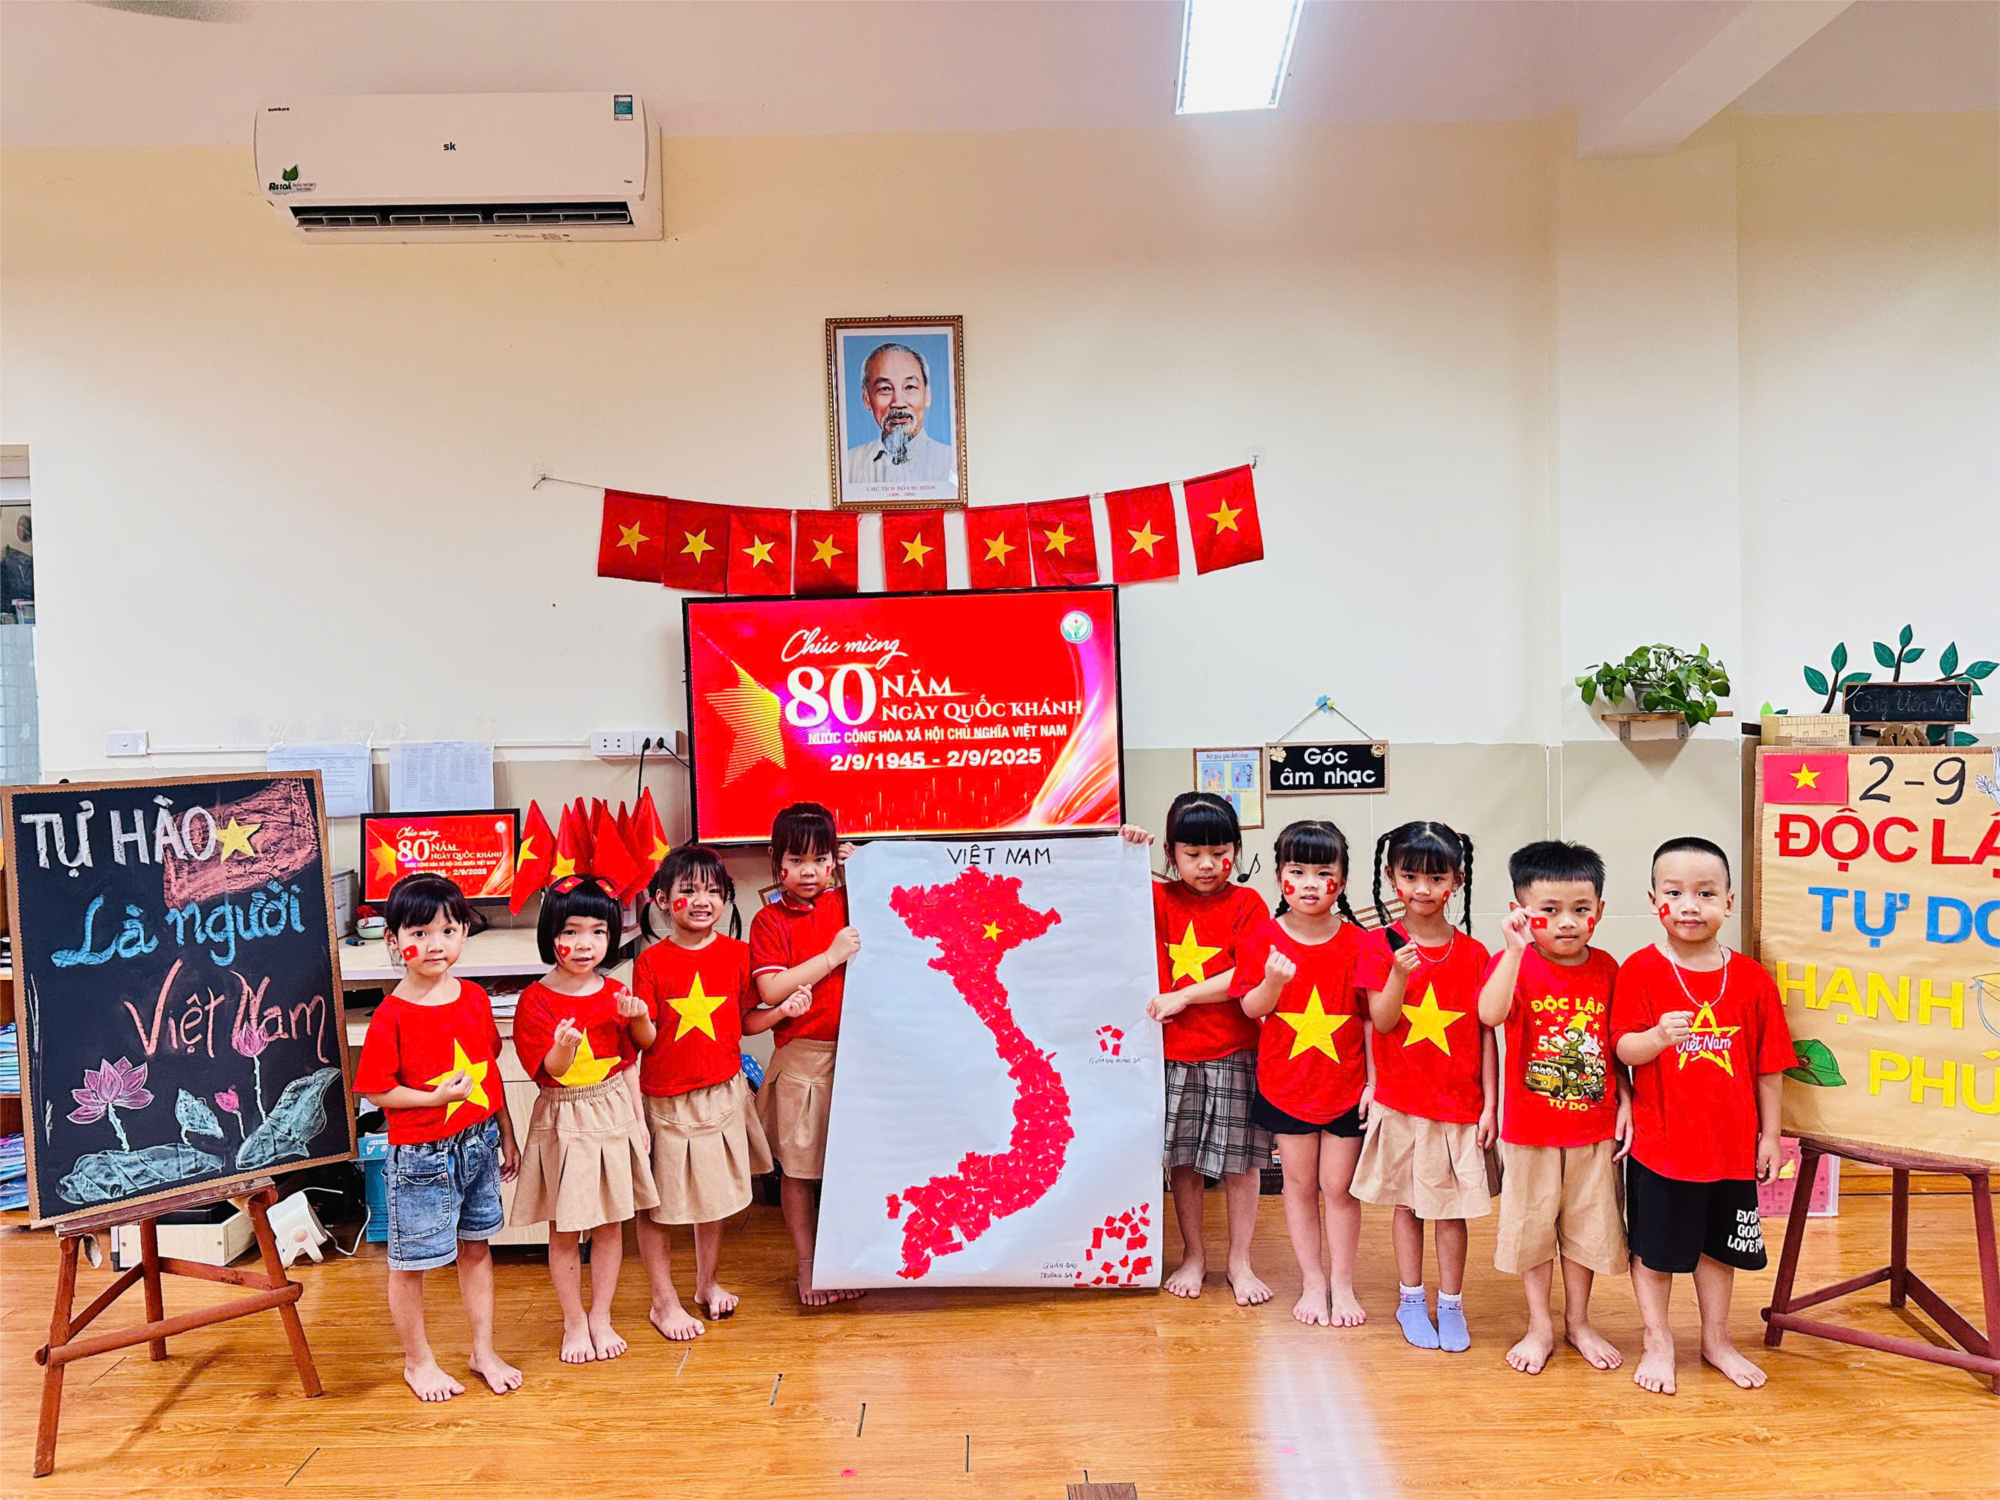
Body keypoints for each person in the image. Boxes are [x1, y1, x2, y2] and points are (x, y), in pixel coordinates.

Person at [1613, 836, 1797, 1396]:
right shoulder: (1639, 970)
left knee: (1720, 1249)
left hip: (1731, 1149)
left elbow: (1770, 1067)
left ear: (1729, 902)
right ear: (1654, 900)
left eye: (1706, 893)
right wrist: (1655, 1037)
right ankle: (1658, 1340)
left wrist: (1770, 1136)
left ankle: (1716, 1339)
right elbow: (1621, 1048)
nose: (1689, 906)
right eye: (1674, 893)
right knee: (1656, 1252)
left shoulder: (1752, 978)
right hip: (1661, 1146)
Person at [353, 873, 522, 1402]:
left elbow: (489, 1071)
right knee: (411, 1264)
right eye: (419, 933)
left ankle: (483, 1350)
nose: (435, 944)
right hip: (420, 1157)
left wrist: (506, 1132)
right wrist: (433, 1099)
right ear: (393, 940)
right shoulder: (391, 1015)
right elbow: (377, 1090)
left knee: (477, 1248)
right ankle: (418, 1362)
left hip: (478, 1142)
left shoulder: (474, 998)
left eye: (448, 930)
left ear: (464, 933)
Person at [632, 845, 799, 1340]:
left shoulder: (738, 955)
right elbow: (646, 1040)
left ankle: (706, 1283)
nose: (702, 900)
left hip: (723, 1093)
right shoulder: (651, 962)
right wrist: (637, 1018)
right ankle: (663, 1301)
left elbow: (746, 1021)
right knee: (657, 1205)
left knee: (715, 1198)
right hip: (666, 1099)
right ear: (663, 900)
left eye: (713, 891)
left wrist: (780, 1012)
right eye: (688, 891)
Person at [1477, 840, 1631, 1376]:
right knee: (1534, 1231)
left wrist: (1626, 1099)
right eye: (1550, 910)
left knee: (1588, 1231)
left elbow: (1617, 1043)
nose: (1567, 922)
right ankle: (1539, 1323)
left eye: (1580, 909)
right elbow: (1489, 1014)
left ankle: (1578, 1321)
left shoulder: (1608, 967)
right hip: (1531, 1132)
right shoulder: (1512, 963)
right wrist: (1514, 950)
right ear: (1521, 912)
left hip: (1595, 1130)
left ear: (1599, 911)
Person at [1119, 793, 1272, 1305]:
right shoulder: (1156, 898)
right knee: (1181, 1163)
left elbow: (1248, 973)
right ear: (1170, 853)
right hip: (1170, 1054)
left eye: (1219, 852)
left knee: (1240, 1164)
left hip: (1234, 1049)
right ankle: (1194, 1256)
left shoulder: (1248, 904)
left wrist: (1184, 995)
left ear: (1235, 851)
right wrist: (1125, 848)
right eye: (1192, 853)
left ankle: (1240, 1261)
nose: (1207, 864)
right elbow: (1105, 893)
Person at [1352, 820, 1496, 1353]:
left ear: (1456, 881)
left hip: (1460, 1105)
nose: (1423, 889)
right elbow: (1382, 1021)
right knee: (1408, 1206)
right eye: (1410, 877)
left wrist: (1491, 1105)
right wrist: (1398, 973)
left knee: (1452, 1211)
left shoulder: (1476, 954)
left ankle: (1451, 1304)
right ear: (1393, 878)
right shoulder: (1379, 945)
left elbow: (1486, 1034)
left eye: (1436, 878)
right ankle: (1410, 1298)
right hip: (1402, 1102)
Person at [508, 875, 660, 1363]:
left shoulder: (615, 990)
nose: (584, 944)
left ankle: (601, 1316)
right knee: (565, 1227)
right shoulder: (535, 999)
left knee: (612, 1224)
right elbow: (548, 1072)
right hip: (563, 1117)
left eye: (598, 932)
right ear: (551, 933)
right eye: (571, 931)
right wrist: (563, 1047)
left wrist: (639, 1120)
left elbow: (633, 1058)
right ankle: (574, 1321)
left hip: (613, 1110)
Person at [1231, 819, 1377, 1328]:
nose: (1310, 883)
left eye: (1323, 872)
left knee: (1338, 1188)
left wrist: (1373, 1083)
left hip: (1346, 1087)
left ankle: (1343, 1283)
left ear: (1342, 880)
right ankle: (1313, 1282)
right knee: (1298, 1185)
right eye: (1297, 871)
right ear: (1279, 877)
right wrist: (1272, 981)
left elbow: (1370, 1019)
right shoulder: (1262, 937)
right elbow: (1250, 1007)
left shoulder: (1360, 942)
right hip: (1286, 1085)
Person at [749, 802, 864, 1305]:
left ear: (834, 860)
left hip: (861, 1057)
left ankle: (848, 1259)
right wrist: (832, 956)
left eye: (820, 859)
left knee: (850, 1167)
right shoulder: (768, 920)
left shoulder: (852, 899)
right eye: (796, 860)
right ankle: (807, 1264)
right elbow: (771, 990)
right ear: (777, 862)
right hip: (801, 1060)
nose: (809, 871)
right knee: (798, 1171)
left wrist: (869, 870)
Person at [841, 342, 958, 487]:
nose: (898, 402)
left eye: (909, 387)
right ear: (867, 399)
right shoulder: (848, 465)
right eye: (885, 389)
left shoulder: (953, 462)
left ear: (927, 395)